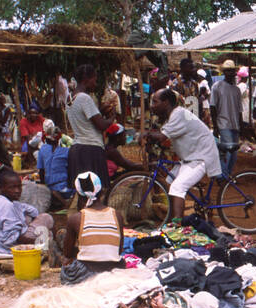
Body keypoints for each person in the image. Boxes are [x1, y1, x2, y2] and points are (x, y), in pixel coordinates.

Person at [66, 64, 139, 207]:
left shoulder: (71, 98)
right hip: (90, 149)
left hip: (78, 148)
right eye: (94, 79)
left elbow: (89, 120)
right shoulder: (84, 98)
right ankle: (92, 223)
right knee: (94, 192)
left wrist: (100, 112)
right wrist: (112, 117)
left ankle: (83, 223)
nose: (95, 82)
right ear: (87, 78)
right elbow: (101, 125)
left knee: (83, 193)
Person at [148, 87, 223, 223]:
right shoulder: (173, 115)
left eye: (155, 102)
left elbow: (161, 137)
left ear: (166, 102)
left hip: (201, 157)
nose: (152, 106)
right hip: (191, 157)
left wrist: (144, 135)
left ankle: (178, 228)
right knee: (171, 183)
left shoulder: (178, 115)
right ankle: (173, 220)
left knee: (178, 187)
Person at [60, 172, 125, 274]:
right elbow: (119, 250)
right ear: (102, 192)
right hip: (114, 270)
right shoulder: (117, 215)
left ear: (79, 195)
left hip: (86, 273)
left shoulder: (75, 218)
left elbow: (67, 254)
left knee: (66, 266)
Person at [0, 168, 54, 259]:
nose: (17, 190)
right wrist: (44, 240)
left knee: (43, 220)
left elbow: (33, 211)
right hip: (7, 249)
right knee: (47, 224)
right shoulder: (6, 205)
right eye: (12, 187)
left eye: (19, 186)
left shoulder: (10, 202)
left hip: (3, 245)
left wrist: (27, 219)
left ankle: (51, 244)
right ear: (1, 188)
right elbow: (15, 238)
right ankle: (52, 247)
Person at [210, 60, 244, 177]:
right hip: (223, 124)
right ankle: (222, 176)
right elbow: (213, 107)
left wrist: (241, 126)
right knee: (227, 152)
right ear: (224, 72)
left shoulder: (237, 90)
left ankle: (228, 175)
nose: (231, 73)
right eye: (228, 71)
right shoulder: (217, 87)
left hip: (234, 125)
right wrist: (215, 126)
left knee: (233, 155)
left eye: (232, 71)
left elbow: (240, 110)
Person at [36, 119, 72, 209]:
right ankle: (64, 202)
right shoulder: (66, 151)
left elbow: (41, 171)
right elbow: (71, 170)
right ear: (59, 138)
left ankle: (59, 201)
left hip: (52, 188)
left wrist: (44, 187)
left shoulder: (43, 150)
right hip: (66, 188)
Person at [171, 58, 211, 124]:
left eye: (193, 68)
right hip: (181, 120)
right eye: (191, 68)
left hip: (193, 119)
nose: (194, 70)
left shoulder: (194, 83)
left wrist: (202, 97)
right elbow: (176, 103)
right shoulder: (176, 84)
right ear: (183, 68)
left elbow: (196, 101)